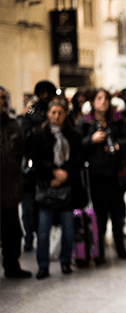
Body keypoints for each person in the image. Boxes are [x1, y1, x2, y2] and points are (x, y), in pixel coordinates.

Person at [77, 89, 126, 262]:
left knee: (118, 211)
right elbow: (77, 145)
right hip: (96, 174)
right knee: (100, 213)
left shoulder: (117, 118)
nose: (102, 102)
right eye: (99, 98)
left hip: (116, 173)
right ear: (93, 102)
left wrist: (118, 145)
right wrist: (91, 140)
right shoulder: (86, 120)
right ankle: (100, 249)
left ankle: (120, 247)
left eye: (106, 99)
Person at [31, 99, 84, 279]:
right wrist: (53, 172)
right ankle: (43, 265)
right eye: (53, 112)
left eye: (60, 112)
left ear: (65, 114)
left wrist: (65, 173)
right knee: (43, 230)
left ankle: (65, 261)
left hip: (68, 188)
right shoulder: (39, 135)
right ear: (47, 113)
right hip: (46, 188)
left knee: (68, 230)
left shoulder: (74, 135)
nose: (56, 116)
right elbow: (36, 160)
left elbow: (78, 159)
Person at [19, 80, 58, 252]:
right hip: (30, 170)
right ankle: (28, 237)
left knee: (46, 206)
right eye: (42, 92)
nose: (45, 96)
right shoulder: (31, 112)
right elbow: (26, 137)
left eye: (48, 92)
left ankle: (49, 237)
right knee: (28, 208)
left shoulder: (56, 111)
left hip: (48, 168)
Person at [0, 85, 32, 278]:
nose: (2, 101)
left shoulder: (13, 125)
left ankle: (12, 266)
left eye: (4, 97)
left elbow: (21, 153)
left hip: (10, 189)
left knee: (13, 233)